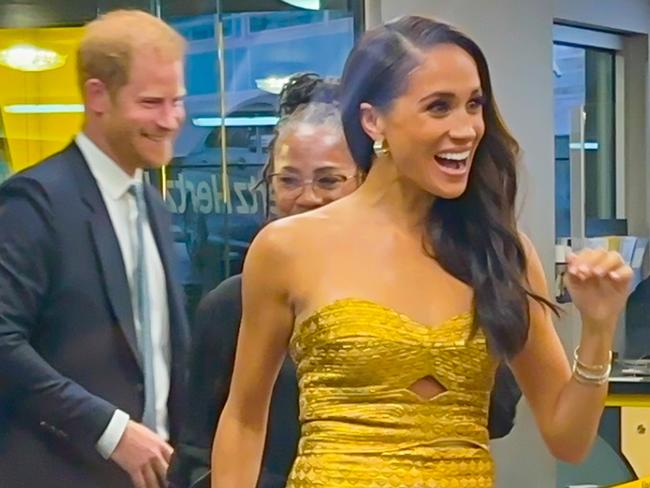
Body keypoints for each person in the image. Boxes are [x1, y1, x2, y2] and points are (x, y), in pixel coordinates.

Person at [211, 16, 634, 487]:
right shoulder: (289, 247)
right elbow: (244, 419)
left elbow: (569, 442)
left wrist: (598, 328)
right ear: (374, 120)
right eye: (439, 107)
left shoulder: (500, 251)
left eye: (474, 105)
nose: (467, 128)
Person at [0, 10, 189, 488]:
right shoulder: (36, 202)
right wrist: (109, 430)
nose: (170, 121)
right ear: (97, 96)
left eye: (177, 101)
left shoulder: (150, 202)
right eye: (151, 102)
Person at [168, 73, 362, 488]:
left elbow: (495, 412)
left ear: (367, 181)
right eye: (288, 180)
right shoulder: (230, 307)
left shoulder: (405, 292)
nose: (307, 197)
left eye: (328, 180)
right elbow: (195, 453)